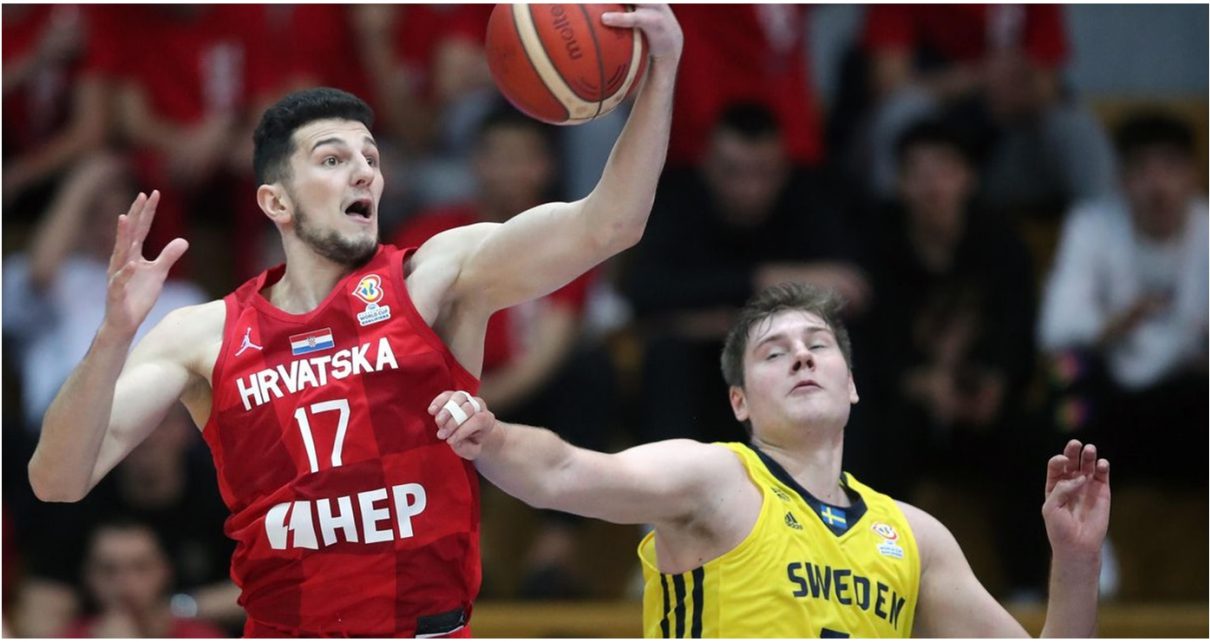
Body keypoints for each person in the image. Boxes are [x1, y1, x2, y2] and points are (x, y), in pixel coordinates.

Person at [28, 5, 683, 637]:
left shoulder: (434, 278)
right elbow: (56, 480)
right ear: (275, 201)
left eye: (370, 157)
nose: (364, 172)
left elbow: (611, 225)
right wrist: (113, 336)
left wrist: (662, 71)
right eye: (333, 159)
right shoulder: (203, 335)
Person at [430, 283, 1111, 637]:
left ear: (852, 383)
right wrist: (492, 436)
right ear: (740, 401)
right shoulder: (715, 480)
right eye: (774, 353)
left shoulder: (915, 537)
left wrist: (1076, 560)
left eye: (819, 345)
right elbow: (563, 471)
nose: (803, 357)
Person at [62, 519, 226, 638]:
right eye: (108, 570)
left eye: (141, 567)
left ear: (165, 571)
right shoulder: (67, 636)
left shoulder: (203, 636)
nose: (124, 582)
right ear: (88, 576)